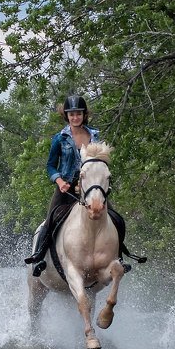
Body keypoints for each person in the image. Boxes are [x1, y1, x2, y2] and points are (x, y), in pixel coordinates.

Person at [24, 95, 128, 277]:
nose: (75, 117)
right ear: (67, 116)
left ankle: (119, 257)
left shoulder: (95, 135)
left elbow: (100, 161)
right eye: (71, 114)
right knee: (51, 220)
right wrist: (59, 181)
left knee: (115, 219)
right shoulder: (60, 138)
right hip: (66, 187)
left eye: (78, 114)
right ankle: (39, 257)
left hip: (90, 186)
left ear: (83, 114)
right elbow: (50, 165)